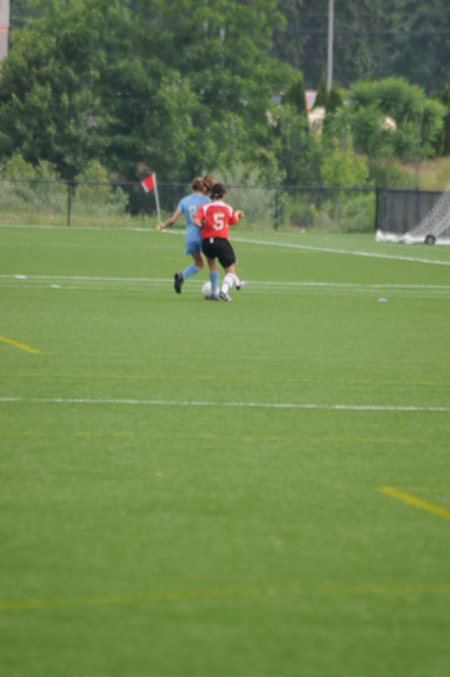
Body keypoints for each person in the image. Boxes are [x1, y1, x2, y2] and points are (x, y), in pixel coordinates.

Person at [157, 175, 215, 294]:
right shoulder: (207, 201)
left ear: (191, 187)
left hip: (190, 237)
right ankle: (214, 292)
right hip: (203, 236)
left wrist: (163, 225)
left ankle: (181, 276)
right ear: (203, 188)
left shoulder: (184, 201)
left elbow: (173, 220)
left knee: (199, 263)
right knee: (211, 263)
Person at [193, 182, 246, 302]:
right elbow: (233, 221)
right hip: (221, 242)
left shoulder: (205, 207)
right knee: (230, 270)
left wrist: (202, 224)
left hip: (207, 243)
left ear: (212, 194)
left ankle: (217, 292)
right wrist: (238, 213)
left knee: (212, 265)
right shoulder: (227, 208)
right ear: (224, 194)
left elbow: (196, 221)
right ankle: (224, 292)